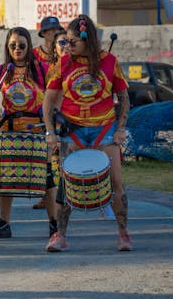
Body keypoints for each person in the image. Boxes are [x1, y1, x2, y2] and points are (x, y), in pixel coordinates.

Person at [42, 14, 132, 252]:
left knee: (116, 183)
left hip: (105, 129)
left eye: (72, 42)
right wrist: (50, 131)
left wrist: (121, 128)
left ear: (87, 39)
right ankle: (60, 235)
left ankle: (123, 233)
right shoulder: (62, 64)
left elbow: (123, 98)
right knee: (65, 182)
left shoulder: (110, 61)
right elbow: (48, 102)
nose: (66, 46)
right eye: (65, 42)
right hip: (72, 131)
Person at [0, 26, 58, 240]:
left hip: (36, 130)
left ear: (29, 46)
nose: (17, 48)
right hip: (8, 131)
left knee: (47, 178)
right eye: (13, 45)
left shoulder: (42, 70)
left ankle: (54, 223)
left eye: (22, 45)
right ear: (8, 46)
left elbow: (56, 94)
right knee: (5, 179)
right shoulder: (1, 71)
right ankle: (4, 223)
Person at [32, 16, 64, 210]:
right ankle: (46, 196)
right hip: (40, 108)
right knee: (44, 156)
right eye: (50, 30)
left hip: (61, 108)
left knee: (60, 154)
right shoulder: (34, 55)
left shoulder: (65, 51)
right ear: (43, 33)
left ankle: (64, 195)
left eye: (56, 29)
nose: (53, 33)